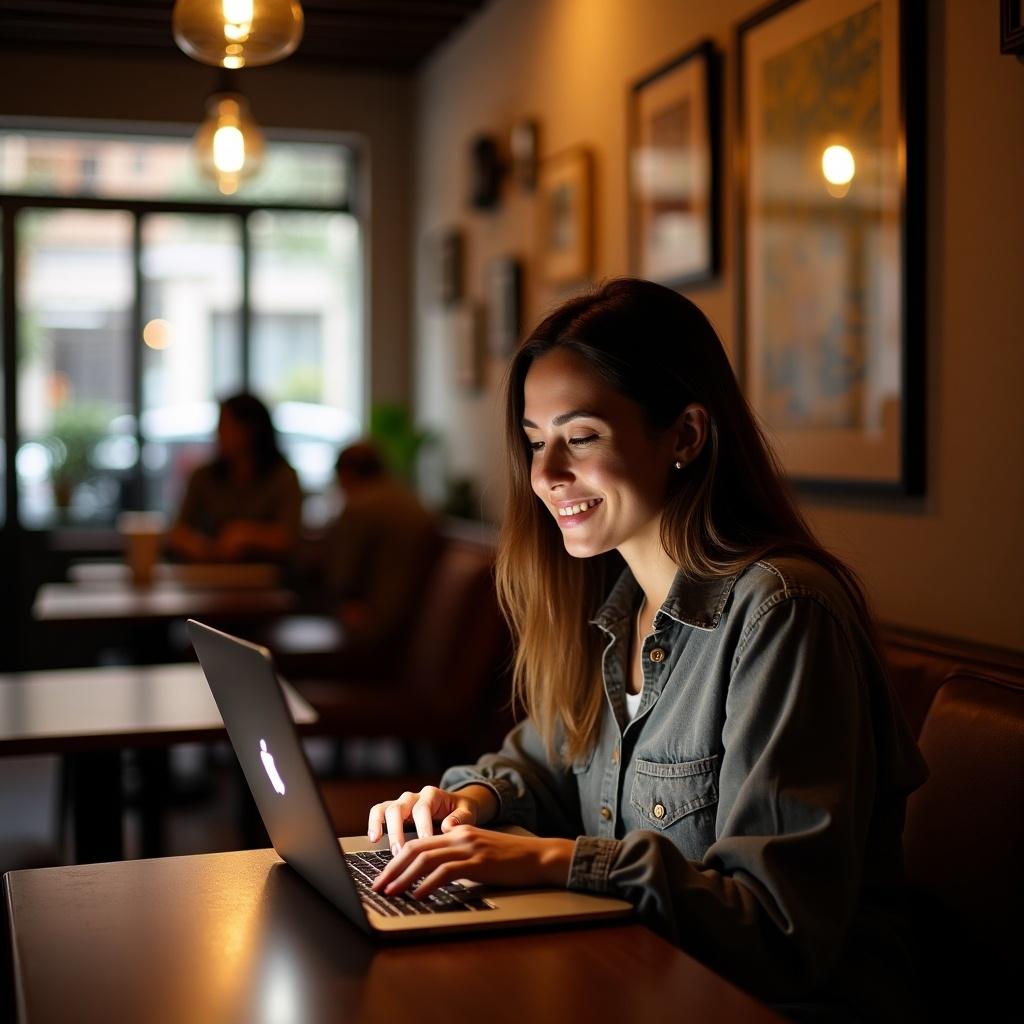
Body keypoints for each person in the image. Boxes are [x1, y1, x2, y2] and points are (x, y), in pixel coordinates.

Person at [365, 279, 927, 1021]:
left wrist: (546, 859)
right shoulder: (614, 611)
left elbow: (778, 932)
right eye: (535, 443)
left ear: (686, 436)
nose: (544, 476)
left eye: (581, 437)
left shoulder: (782, 612)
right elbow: (538, 763)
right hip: (642, 983)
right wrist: (465, 804)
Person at [319, 440, 438, 650]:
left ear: (347, 473)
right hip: (419, 618)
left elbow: (341, 576)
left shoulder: (359, 507)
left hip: (376, 621)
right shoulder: (412, 500)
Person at [166, 392, 302, 562]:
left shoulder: (283, 478)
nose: (218, 433)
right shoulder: (204, 477)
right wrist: (201, 547)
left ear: (249, 430)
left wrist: (246, 535)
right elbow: (178, 532)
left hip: (268, 577)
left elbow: (289, 538)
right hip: (211, 576)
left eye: (225, 425)